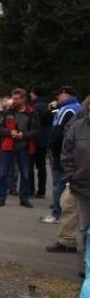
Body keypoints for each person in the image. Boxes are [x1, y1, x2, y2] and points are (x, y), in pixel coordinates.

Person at [53, 96, 90, 298]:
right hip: (82, 184)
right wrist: (70, 175)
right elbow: (66, 151)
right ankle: (85, 268)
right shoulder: (78, 126)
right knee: (83, 229)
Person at [43, 86, 83, 224]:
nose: (58, 98)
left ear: (66, 95)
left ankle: (57, 213)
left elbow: (57, 130)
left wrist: (51, 147)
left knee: (58, 183)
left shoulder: (66, 109)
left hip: (61, 151)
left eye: (60, 95)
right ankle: (73, 213)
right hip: (77, 152)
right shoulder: (79, 107)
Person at [0, 88, 38, 207]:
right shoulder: (7, 112)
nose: (13, 101)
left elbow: (36, 131)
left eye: (16, 99)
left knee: (25, 174)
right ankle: (1, 197)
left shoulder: (32, 113)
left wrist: (24, 135)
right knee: (3, 173)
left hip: (24, 147)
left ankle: (24, 198)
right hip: (8, 146)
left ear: (23, 99)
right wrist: (10, 133)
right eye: (13, 98)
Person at [30, 87, 52, 198]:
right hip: (45, 139)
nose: (30, 95)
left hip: (35, 139)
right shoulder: (48, 106)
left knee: (30, 166)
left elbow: (34, 123)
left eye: (32, 93)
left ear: (36, 95)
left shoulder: (35, 107)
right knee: (41, 166)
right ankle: (41, 190)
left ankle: (30, 189)